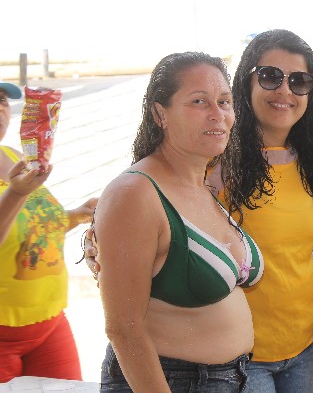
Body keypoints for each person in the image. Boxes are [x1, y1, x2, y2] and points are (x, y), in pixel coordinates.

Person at [93, 52, 263, 392]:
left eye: (224, 101)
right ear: (160, 114)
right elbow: (123, 329)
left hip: (233, 378)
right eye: (199, 101)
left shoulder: (201, 185)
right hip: (173, 380)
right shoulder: (135, 193)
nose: (217, 114)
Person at [209, 29, 313, 392]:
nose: (285, 90)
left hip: (303, 346)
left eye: (299, 81)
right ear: (245, 82)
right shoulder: (215, 161)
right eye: (270, 76)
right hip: (242, 357)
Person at [0, 81, 97, 382]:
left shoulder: (13, 156)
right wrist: (15, 194)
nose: (0, 108)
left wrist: (77, 215)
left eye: (2, 100)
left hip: (49, 324)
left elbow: (30, 228)